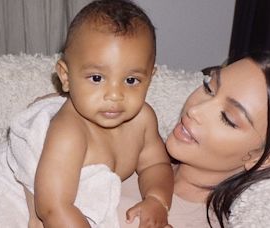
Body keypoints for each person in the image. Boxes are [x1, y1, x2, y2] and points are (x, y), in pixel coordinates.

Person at [118, 51, 270, 227]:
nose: (195, 110)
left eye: (228, 118)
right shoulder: (127, 147)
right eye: (208, 88)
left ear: (261, 157)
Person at [22, 0, 174, 227]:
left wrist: (157, 199)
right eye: (96, 78)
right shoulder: (69, 132)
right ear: (65, 76)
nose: (115, 95)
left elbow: (156, 165)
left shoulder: (143, 120)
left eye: (131, 80)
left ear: (150, 78)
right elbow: (53, 207)